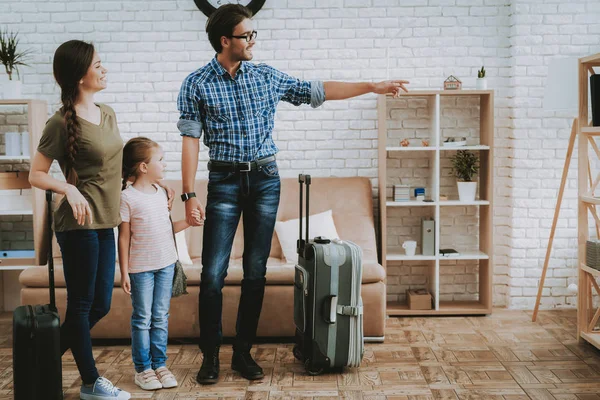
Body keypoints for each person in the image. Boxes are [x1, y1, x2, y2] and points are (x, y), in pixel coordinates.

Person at [176, 4, 409, 384]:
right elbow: (189, 141)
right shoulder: (197, 83)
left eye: (253, 34)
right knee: (213, 273)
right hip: (223, 182)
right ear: (225, 40)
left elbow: (317, 90)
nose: (253, 41)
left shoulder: (266, 76)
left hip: (266, 179)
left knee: (255, 272)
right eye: (246, 35)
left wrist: (373, 86)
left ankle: (243, 353)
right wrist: (188, 194)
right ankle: (210, 357)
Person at [29, 40, 131, 400]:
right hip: (78, 225)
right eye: (98, 65)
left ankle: (39, 358)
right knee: (83, 305)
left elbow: (112, 167)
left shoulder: (107, 113)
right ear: (79, 75)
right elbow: (36, 174)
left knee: (101, 303)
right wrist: (68, 190)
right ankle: (91, 383)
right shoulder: (59, 123)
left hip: (106, 221)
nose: (104, 70)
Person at [118, 137, 199, 391]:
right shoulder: (127, 197)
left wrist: (189, 223)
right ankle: (143, 369)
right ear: (143, 167)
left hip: (166, 265)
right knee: (142, 318)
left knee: (161, 317)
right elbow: (123, 237)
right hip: (140, 269)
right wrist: (124, 272)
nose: (164, 164)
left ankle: (160, 365)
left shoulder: (163, 192)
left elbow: (167, 228)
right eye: (160, 160)